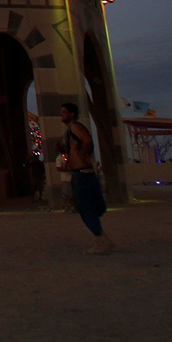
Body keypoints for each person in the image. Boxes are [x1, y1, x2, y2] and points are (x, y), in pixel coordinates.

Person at [59, 103, 113, 254]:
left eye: (64, 112)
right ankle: (103, 237)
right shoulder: (71, 131)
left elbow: (87, 141)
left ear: (72, 114)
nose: (61, 115)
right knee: (91, 206)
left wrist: (83, 154)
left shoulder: (75, 127)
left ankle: (100, 240)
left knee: (84, 208)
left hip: (82, 173)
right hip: (83, 173)